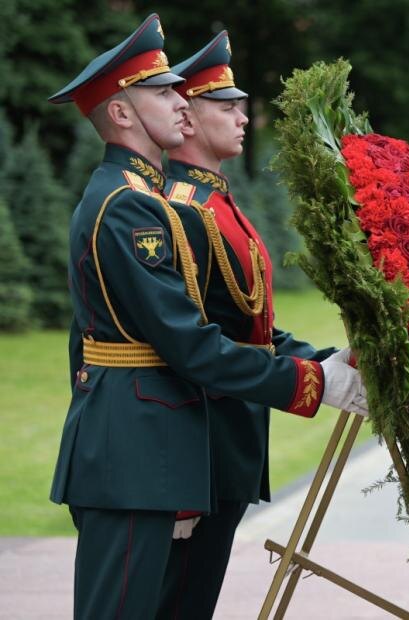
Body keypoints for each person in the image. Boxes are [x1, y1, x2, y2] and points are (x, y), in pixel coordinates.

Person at [47, 15, 367, 618]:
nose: (180, 103)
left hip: (152, 451)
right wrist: (317, 382)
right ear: (121, 114)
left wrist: (319, 364)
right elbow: (188, 346)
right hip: (133, 455)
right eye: (163, 92)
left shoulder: (139, 201)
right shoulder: (125, 208)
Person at [156, 31, 341, 616]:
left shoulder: (216, 203)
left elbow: (250, 326)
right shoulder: (183, 210)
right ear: (185, 120)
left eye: (241, 105)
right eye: (225, 106)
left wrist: (326, 361)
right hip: (200, 449)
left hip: (229, 442)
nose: (242, 116)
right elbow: (186, 344)